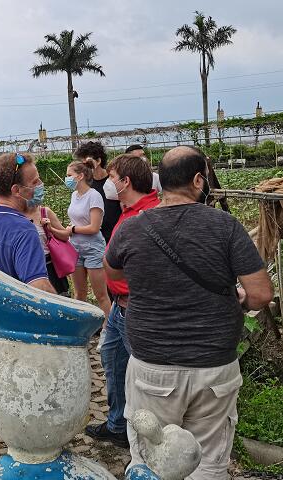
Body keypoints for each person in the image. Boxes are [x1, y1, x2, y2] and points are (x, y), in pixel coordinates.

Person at [104, 146, 273, 479]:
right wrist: (240, 300)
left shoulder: (131, 228)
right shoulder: (225, 226)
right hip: (214, 368)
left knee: (151, 458)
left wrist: (151, 279)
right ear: (198, 180)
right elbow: (261, 294)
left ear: (162, 181)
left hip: (152, 367)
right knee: (207, 460)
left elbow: (113, 272)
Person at [0, 152, 56, 468]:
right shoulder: (22, 231)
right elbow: (38, 288)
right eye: (35, 181)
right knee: (28, 403)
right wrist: (69, 309)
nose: (40, 185)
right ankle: (30, 464)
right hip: (18, 336)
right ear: (17, 190)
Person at [84, 154, 160, 448]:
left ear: (126, 182)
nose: (108, 183)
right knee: (112, 359)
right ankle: (117, 424)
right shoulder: (129, 210)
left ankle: (150, 438)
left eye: (112, 178)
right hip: (119, 307)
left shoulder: (150, 215)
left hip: (137, 308)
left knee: (146, 375)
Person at [62, 160, 112, 319]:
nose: (67, 178)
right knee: (79, 293)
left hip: (92, 249)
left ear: (80, 176)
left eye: (69, 175)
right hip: (75, 248)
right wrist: (71, 228)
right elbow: (77, 219)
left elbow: (94, 228)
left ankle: (109, 327)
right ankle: (82, 326)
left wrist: (73, 229)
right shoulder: (74, 195)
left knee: (101, 295)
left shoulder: (94, 196)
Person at [74, 141, 121, 243]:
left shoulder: (114, 182)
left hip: (116, 236)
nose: (84, 168)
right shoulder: (87, 185)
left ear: (98, 161)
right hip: (95, 239)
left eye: (86, 164)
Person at [24, 200, 72, 296]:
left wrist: (50, 229)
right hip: (29, 267)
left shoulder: (44, 212)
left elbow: (65, 236)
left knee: (60, 299)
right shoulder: (15, 215)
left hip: (50, 266)